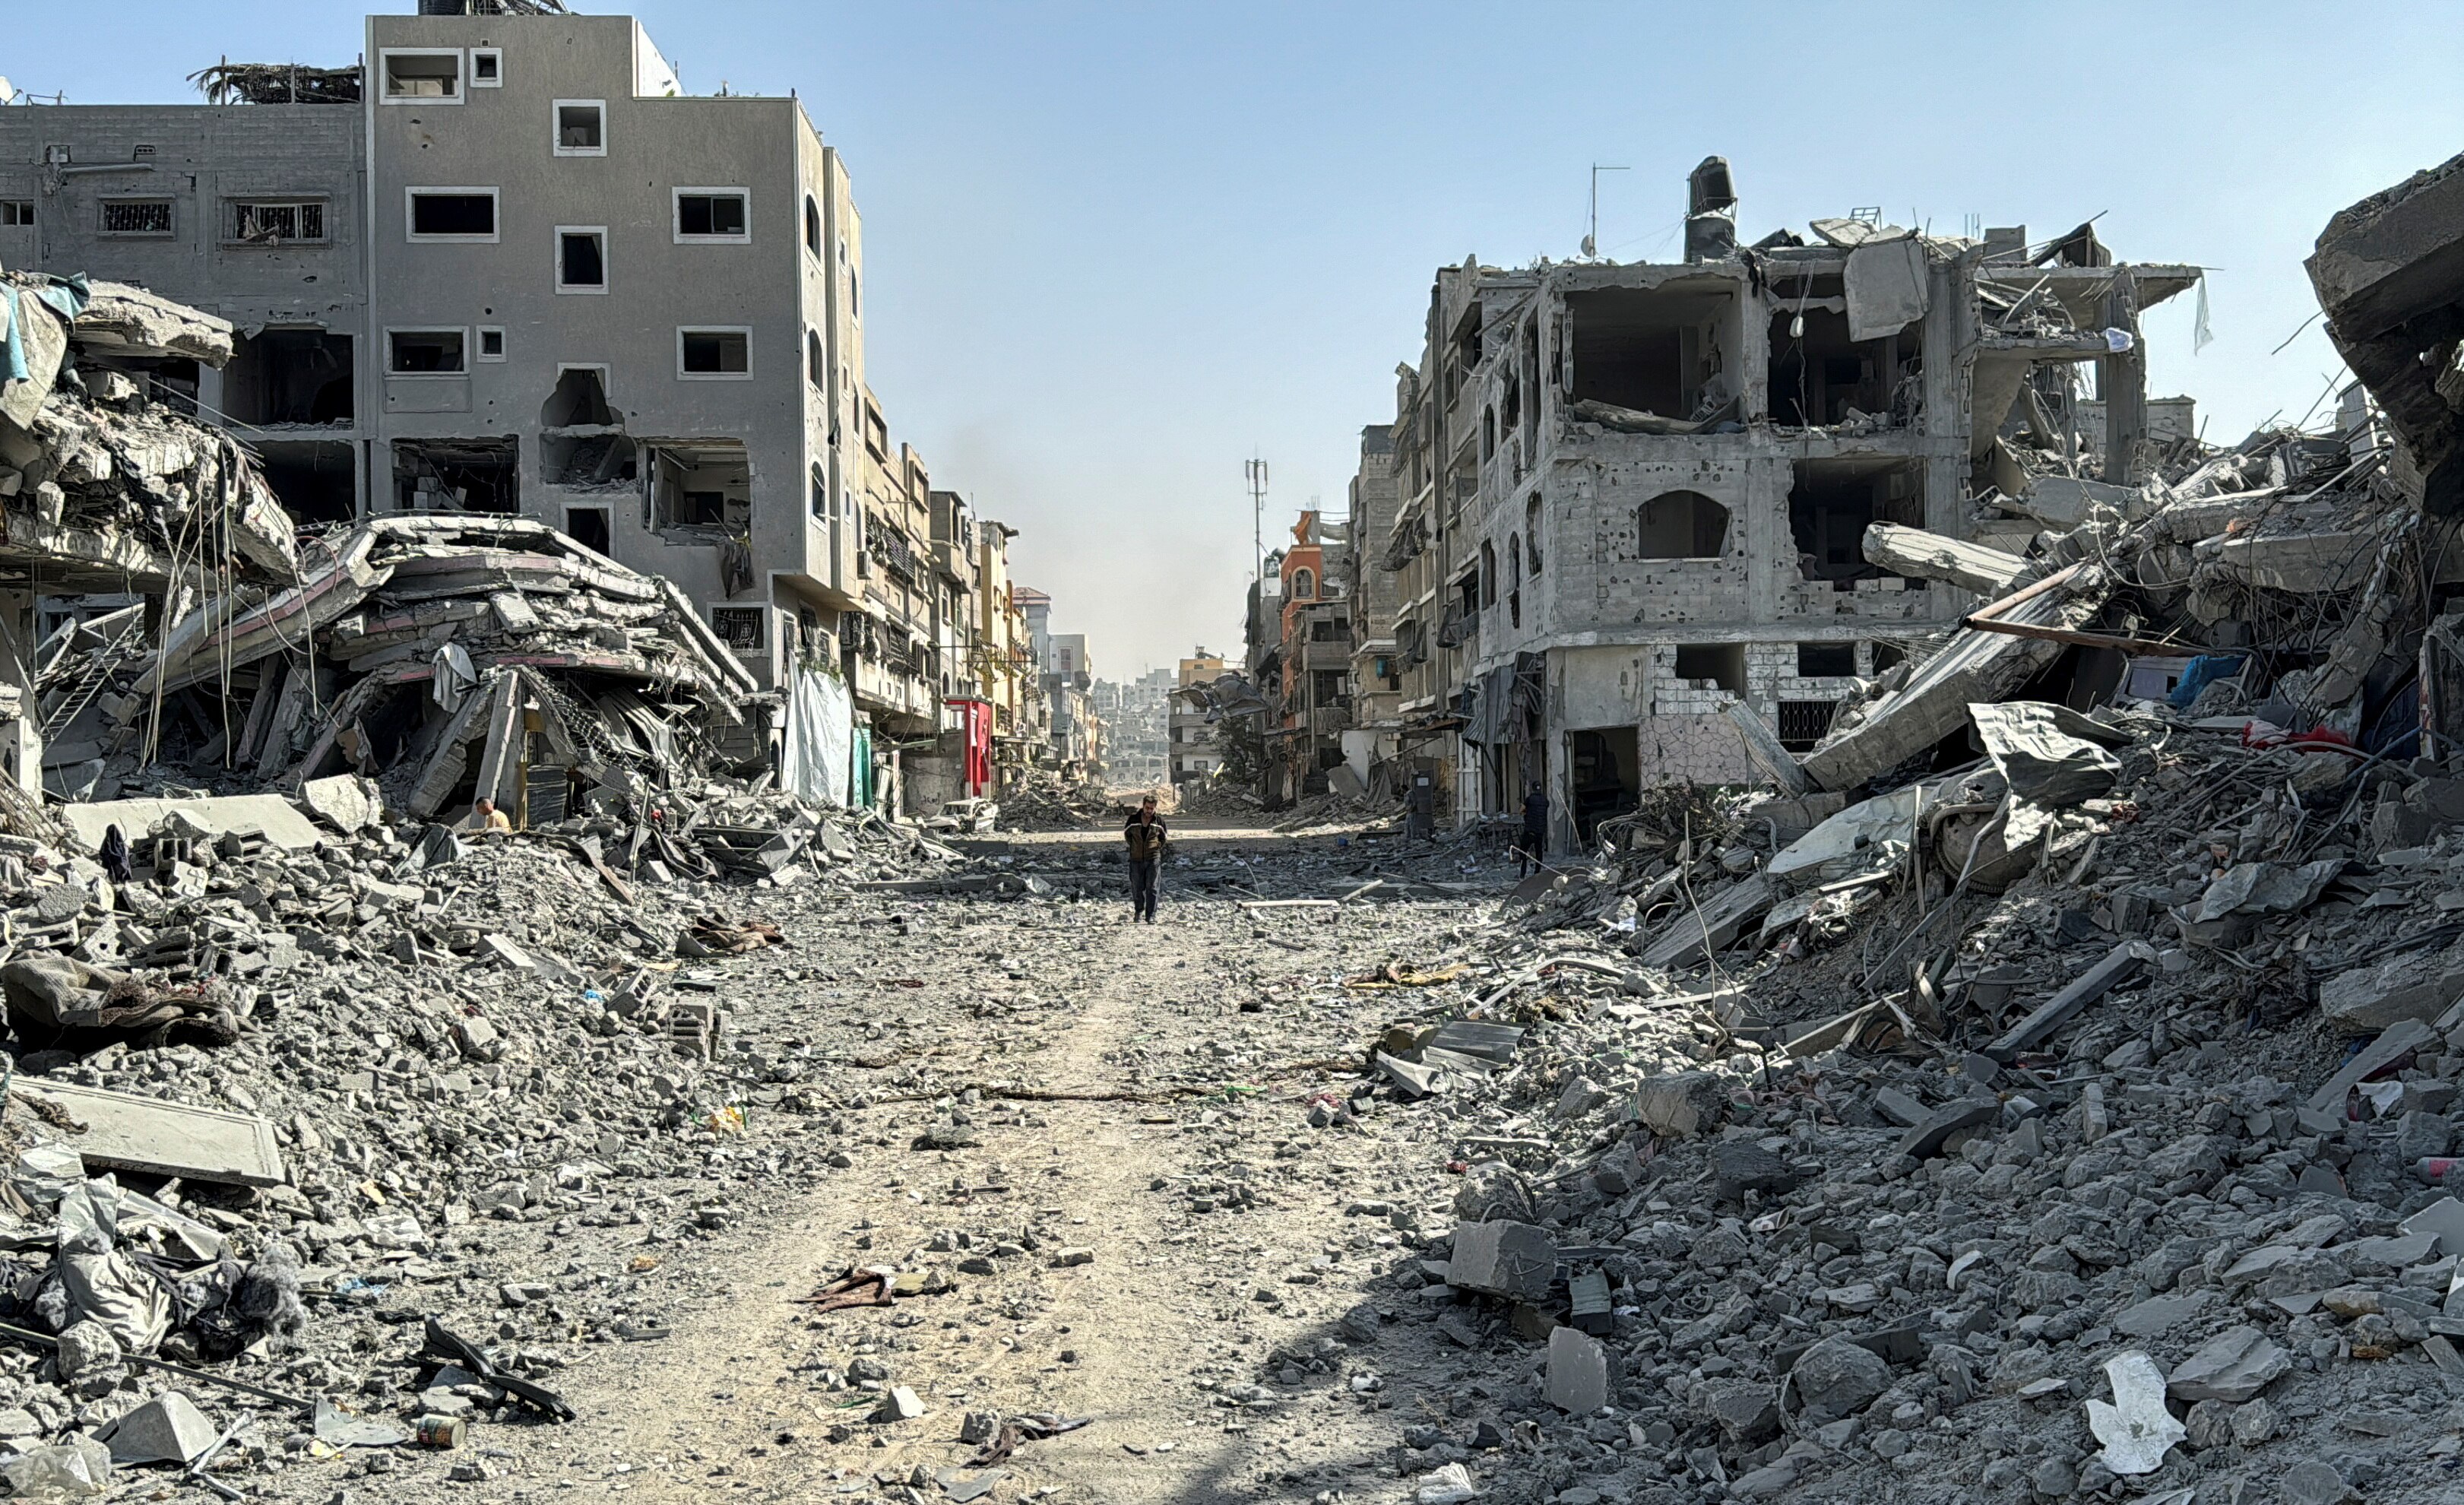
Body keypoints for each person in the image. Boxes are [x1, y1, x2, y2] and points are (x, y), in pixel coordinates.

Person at [1123, 794, 1168, 922]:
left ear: (1155, 808)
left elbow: (1163, 838)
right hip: (1136, 859)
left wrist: (1156, 847)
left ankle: (1151, 916)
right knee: (1136, 887)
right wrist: (1135, 847)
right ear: (1143, 806)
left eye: (1151, 808)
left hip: (1153, 858)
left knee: (1152, 887)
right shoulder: (1133, 820)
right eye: (1147, 808)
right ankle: (1138, 910)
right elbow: (1127, 835)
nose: (1149, 811)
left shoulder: (1159, 822)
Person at [1517, 781, 1549, 876]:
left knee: (1523, 852)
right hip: (1540, 831)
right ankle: (1537, 873)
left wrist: (1526, 814)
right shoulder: (1545, 800)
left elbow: (1521, 810)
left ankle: (1522, 874)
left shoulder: (1529, 799)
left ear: (1533, 789)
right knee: (1539, 852)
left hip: (1530, 830)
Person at [1405, 774, 1435, 842]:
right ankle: (1409, 836)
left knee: (1412, 824)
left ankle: (1414, 836)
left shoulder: (1411, 794)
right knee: (1408, 824)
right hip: (1410, 811)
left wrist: (1411, 809)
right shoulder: (1407, 794)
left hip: (1412, 811)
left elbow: (1414, 802)